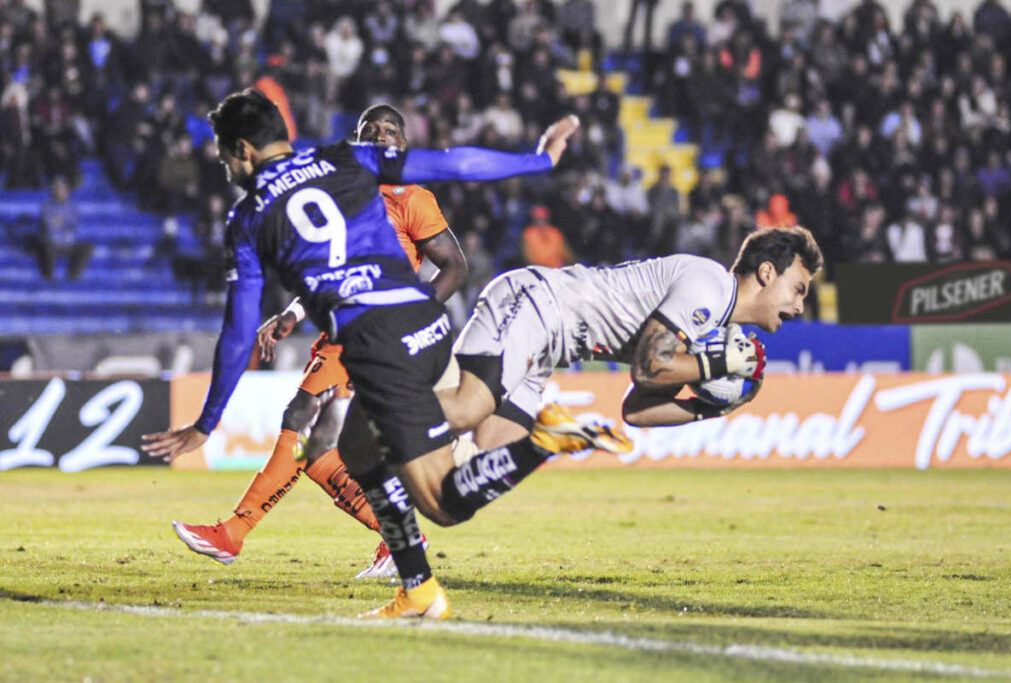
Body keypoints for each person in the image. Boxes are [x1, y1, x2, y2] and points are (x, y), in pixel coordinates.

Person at [142, 89, 589, 621]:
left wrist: (206, 422)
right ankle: (417, 587)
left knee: (439, 498)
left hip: (374, 341)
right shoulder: (343, 159)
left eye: (222, 156)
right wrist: (537, 159)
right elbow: (455, 163)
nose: (224, 166)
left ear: (242, 149)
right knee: (348, 451)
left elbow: (238, 334)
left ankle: (538, 444)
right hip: (424, 327)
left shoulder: (249, 217)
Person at [286, 225, 820, 618]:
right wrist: (715, 365)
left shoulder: (710, 323)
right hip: (534, 303)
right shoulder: (709, 287)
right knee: (468, 408)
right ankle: (352, 399)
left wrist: (706, 404)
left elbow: (636, 407)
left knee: (454, 497)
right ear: (767, 272)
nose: (799, 306)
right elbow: (649, 364)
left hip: (547, 350)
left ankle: (537, 444)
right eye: (798, 289)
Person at [168, 104, 470, 578]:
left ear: (404, 144)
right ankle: (398, 538)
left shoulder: (412, 199)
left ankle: (234, 532)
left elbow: (454, 266)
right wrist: (291, 313)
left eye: (391, 129)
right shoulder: (341, 193)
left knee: (302, 421)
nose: (381, 135)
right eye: (370, 129)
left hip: (373, 333)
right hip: (340, 331)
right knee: (317, 453)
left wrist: (411, 315)